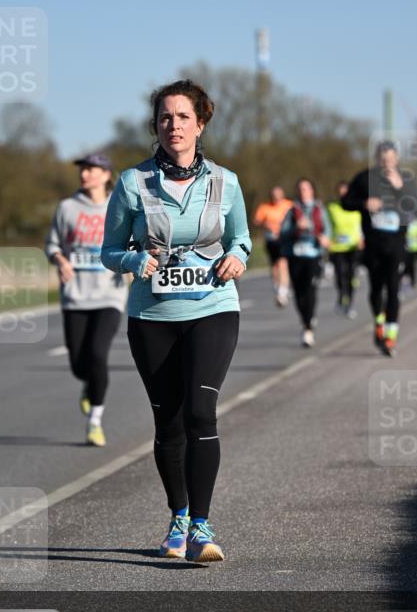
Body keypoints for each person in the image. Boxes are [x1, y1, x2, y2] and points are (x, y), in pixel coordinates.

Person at [101, 79, 251, 563]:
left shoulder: (225, 182)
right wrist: (131, 262)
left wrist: (237, 258)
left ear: (200, 123)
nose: (174, 126)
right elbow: (109, 250)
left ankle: (203, 530)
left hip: (213, 308)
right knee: (168, 423)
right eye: (165, 118)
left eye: (183, 117)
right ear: (156, 127)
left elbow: (242, 240)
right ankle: (179, 516)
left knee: (200, 413)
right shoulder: (131, 183)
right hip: (152, 316)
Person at [45, 153, 127, 447]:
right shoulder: (66, 208)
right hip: (75, 295)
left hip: (109, 295)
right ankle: (88, 386)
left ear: (106, 174)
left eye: (91, 169)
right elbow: (52, 244)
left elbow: (132, 241)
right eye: (82, 169)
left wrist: (131, 261)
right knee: (80, 365)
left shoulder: (118, 207)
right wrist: (60, 260)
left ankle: (95, 420)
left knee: (97, 355)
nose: (84, 174)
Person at [342, 141, 417, 357]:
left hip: (396, 244)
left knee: (393, 288)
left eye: (391, 159)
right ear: (377, 159)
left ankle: (390, 338)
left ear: (397, 160)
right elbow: (345, 201)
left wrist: (400, 189)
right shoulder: (365, 178)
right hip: (373, 244)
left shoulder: (405, 179)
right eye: (383, 159)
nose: (387, 163)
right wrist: (365, 204)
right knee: (376, 288)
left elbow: (415, 205)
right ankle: (379, 323)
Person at [279, 178, 331, 347]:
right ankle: (306, 319)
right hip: (296, 256)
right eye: (300, 189)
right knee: (299, 293)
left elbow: (327, 230)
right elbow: (283, 232)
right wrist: (296, 228)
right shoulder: (292, 210)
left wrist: (325, 238)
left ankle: (308, 328)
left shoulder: (319, 209)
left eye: (306, 189)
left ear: (312, 191)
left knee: (310, 290)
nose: (303, 192)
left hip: (313, 256)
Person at [327, 181, 363, 317]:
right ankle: (342, 297)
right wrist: (327, 240)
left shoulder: (357, 207)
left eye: (345, 192)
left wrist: (362, 238)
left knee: (352, 276)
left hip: (354, 246)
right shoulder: (332, 207)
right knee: (341, 275)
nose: (343, 195)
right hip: (337, 247)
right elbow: (327, 226)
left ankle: (350, 303)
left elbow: (362, 224)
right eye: (340, 192)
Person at [253, 186, 293, 307]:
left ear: (282, 195)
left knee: (283, 262)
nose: (276, 198)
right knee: (274, 265)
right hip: (271, 240)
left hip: (284, 240)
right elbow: (256, 221)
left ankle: (283, 290)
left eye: (278, 195)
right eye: (274, 196)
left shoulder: (289, 205)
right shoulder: (265, 207)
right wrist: (266, 224)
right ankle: (277, 287)